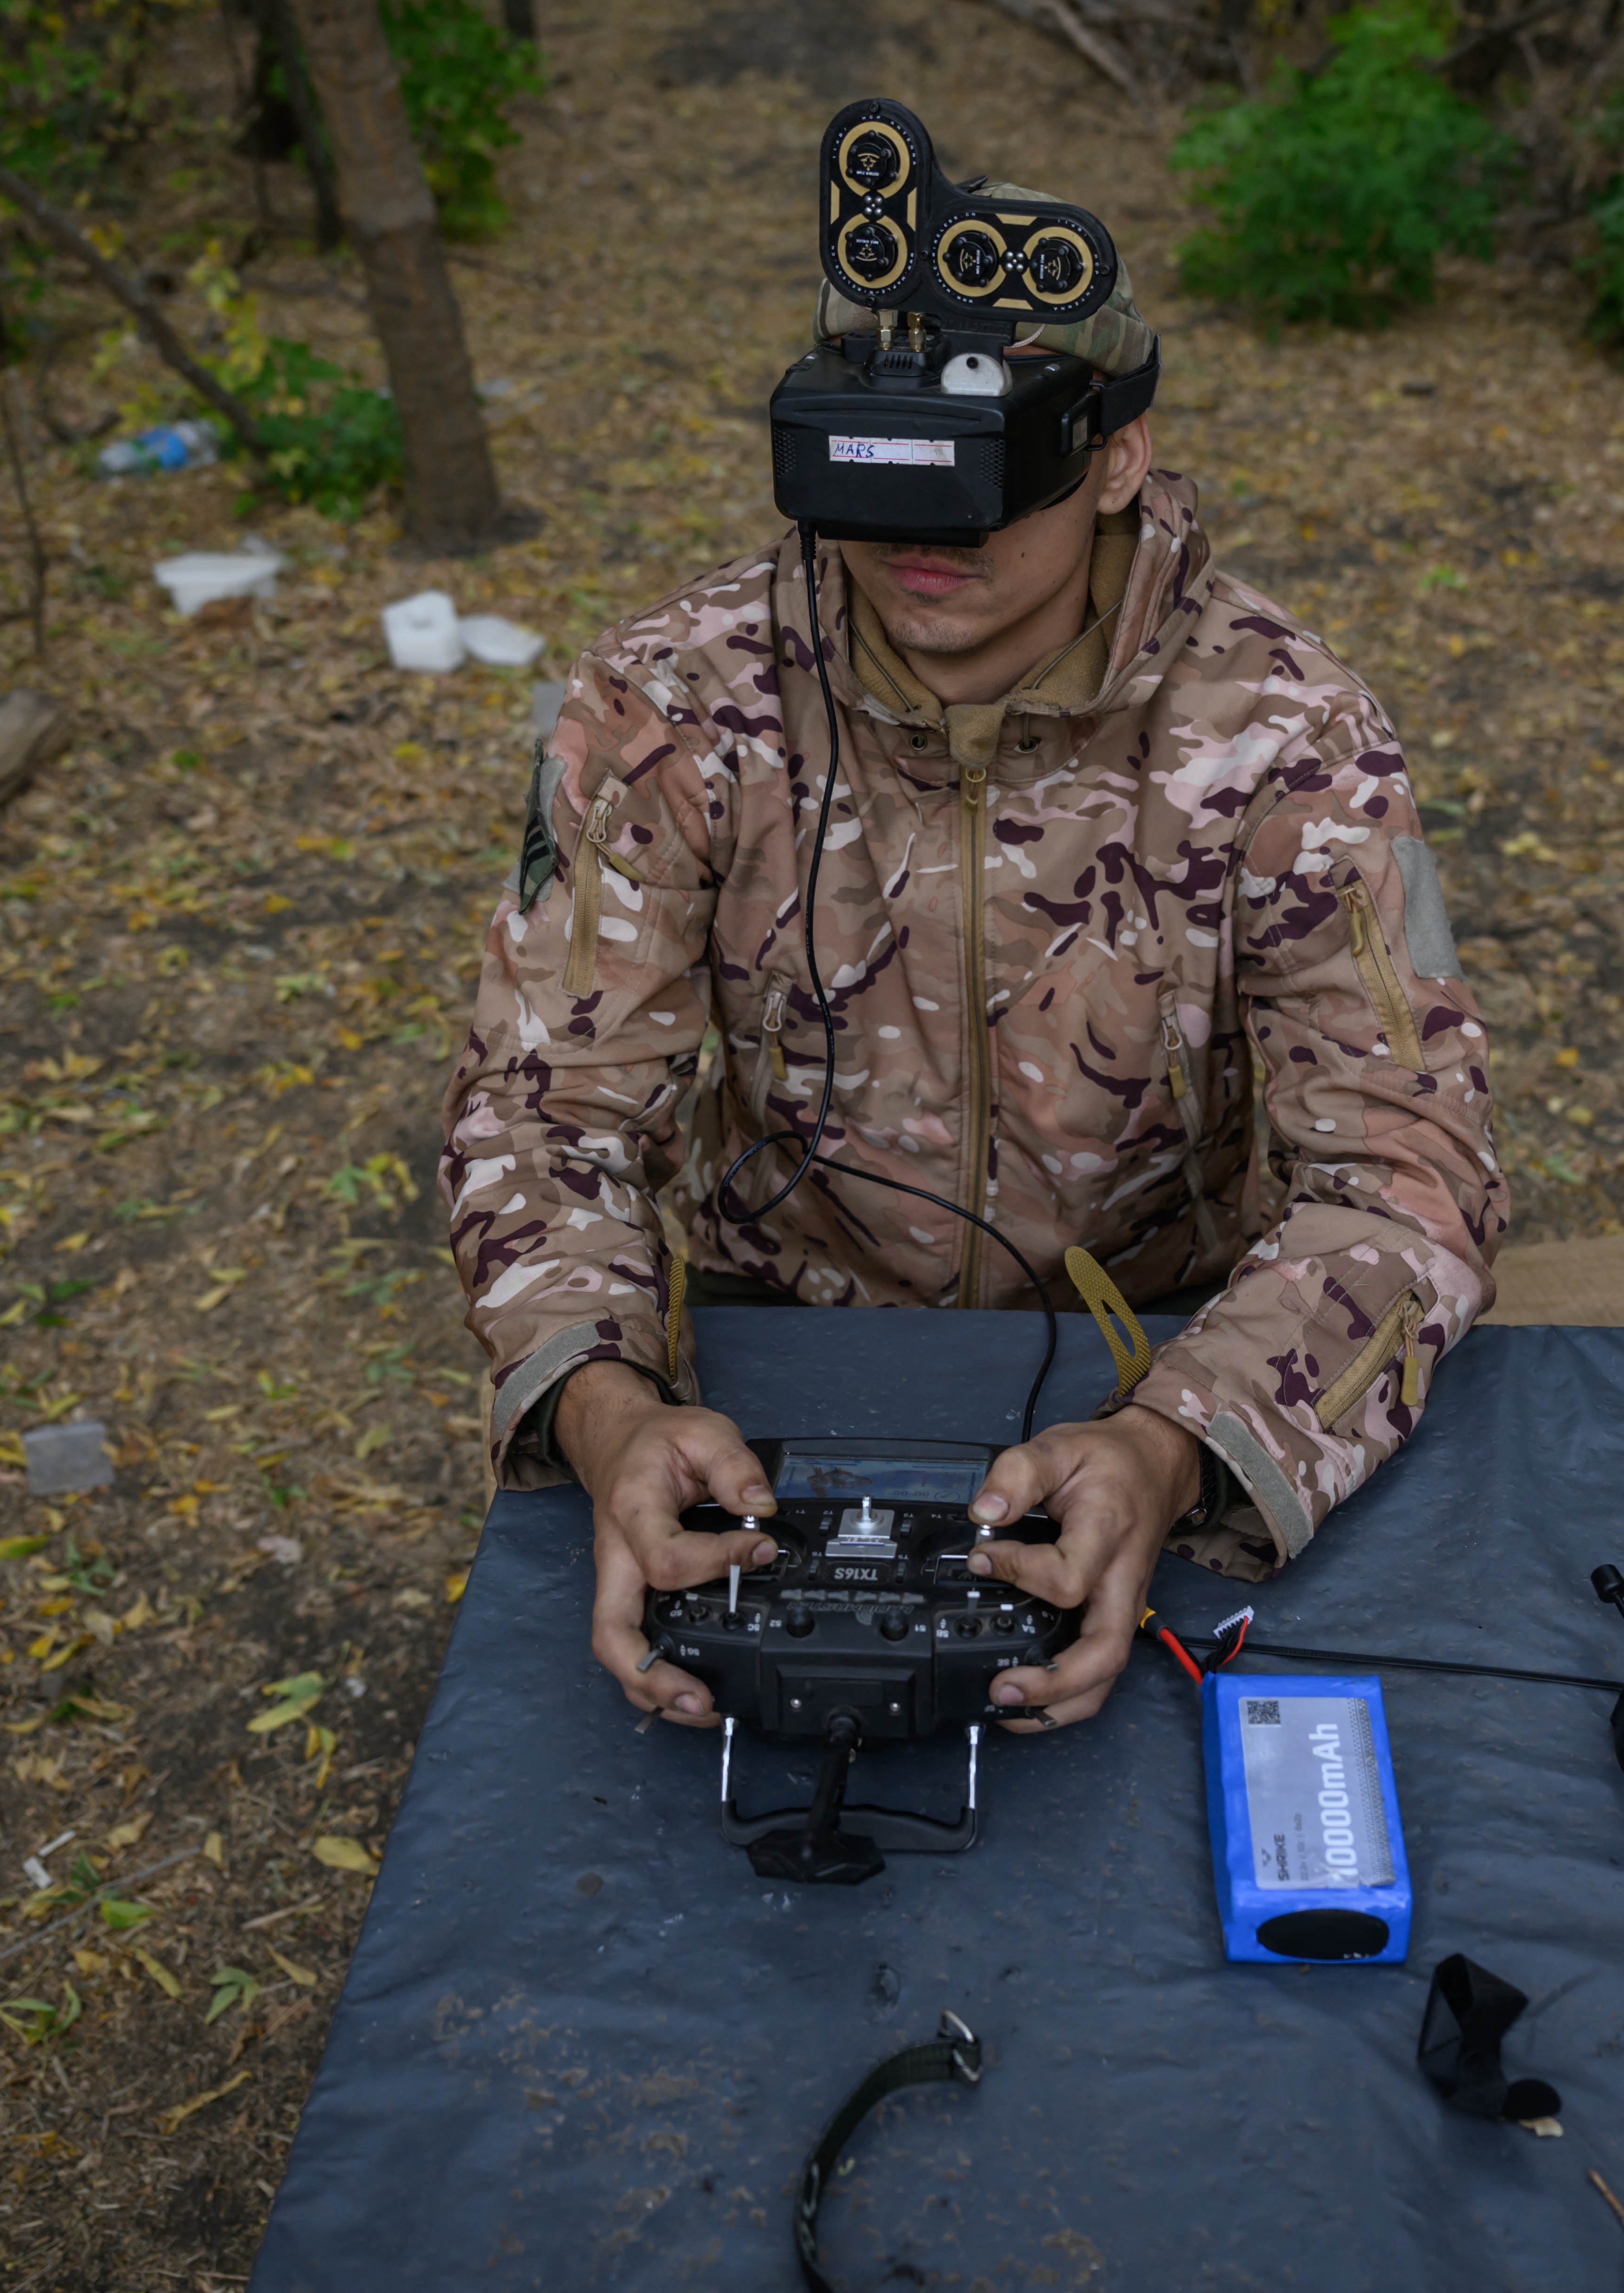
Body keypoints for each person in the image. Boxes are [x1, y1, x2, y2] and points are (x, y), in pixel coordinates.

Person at [439, 217, 1505, 1737]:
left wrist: (1176, 1444)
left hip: (1155, 1354)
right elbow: (541, 1118)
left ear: (1117, 460)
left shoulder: (1285, 739)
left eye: (981, 474)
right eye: (874, 472)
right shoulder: (674, 707)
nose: (922, 539)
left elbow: (1414, 1172)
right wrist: (608, 1410)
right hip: (770, 1368)